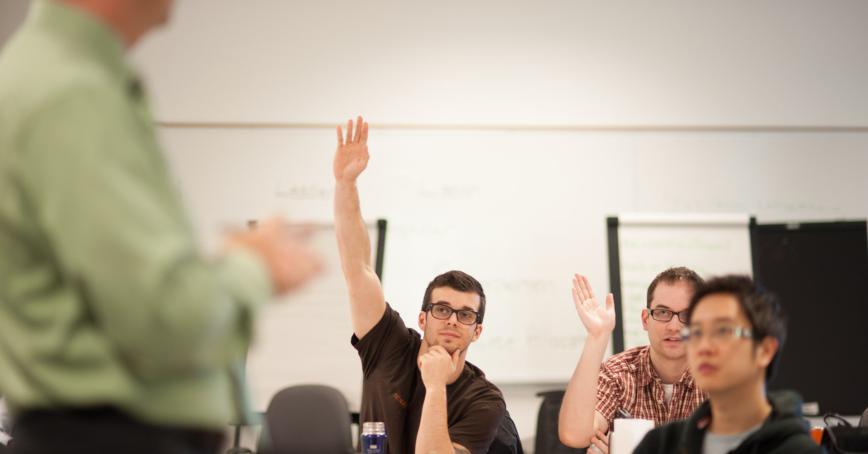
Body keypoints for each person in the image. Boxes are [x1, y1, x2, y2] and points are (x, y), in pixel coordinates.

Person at [0, 1, 321, 453]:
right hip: (111, 437)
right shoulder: (71, 93)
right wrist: (253, 265)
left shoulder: (52, 76)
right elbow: (164, 317)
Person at [333, 117, 506, 454]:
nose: (453, 320)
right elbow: (358, 269)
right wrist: (345, 184)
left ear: (478, 331)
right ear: (423, 319)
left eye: (466, 315)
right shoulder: (389, 346)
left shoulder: (485, 400)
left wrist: (437, 386)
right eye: (442, 309)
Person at [634, 275, 822, 454]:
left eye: (723, 331)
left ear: (765, 350)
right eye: (696, 333)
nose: (704, 347)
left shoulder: (797, 450)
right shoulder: (660, 445)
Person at [559, 267, 706, 452]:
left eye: (686, 315)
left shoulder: (720, 378)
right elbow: (575, 435)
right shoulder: (618, 373)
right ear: (645, 319)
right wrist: (597, 336)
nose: (674, 326)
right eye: (662, 312)